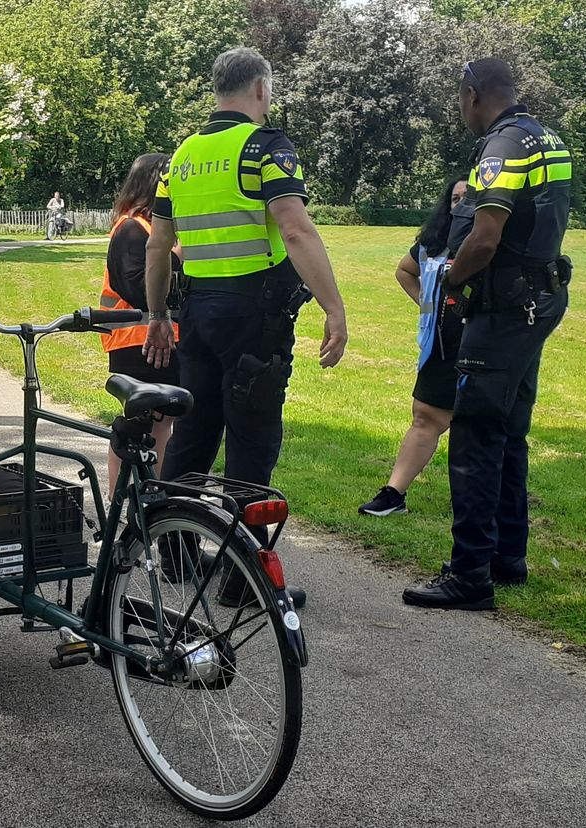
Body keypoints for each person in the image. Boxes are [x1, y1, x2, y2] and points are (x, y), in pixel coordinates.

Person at [144, 46, 348, 607]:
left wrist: (157, 314)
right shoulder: (266, 147)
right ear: (261, 89)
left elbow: (159, 243)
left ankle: (176, 552)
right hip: (254, 317)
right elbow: (297, 230)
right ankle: (242, 580)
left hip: (197, 311)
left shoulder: (180, 157)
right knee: (252, 444)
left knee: (194, 435)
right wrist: (335, 307)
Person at [403, 58, 572, 610]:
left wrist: (448, 282)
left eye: (460, 100)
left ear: (473, 94)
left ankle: (470, 574)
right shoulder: (547, 138)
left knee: (475, 437)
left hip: (502, 310)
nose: (461, 111)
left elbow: (484, 237)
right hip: (540, 298)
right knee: (510, 430)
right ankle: (508, 557)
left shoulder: (502, 147)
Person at [359, 177, 467, 516]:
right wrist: (427, 303)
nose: (460, 204)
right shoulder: (435, 242)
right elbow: (405, 271)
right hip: (440, 346)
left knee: (477, 423)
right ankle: (393, 495)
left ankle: (475, 500)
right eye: (455, 198)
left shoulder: (493, 241)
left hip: (483, 345)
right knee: (425, 418)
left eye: (469, 197)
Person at [100, 153, 182, 491]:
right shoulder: (133, 227)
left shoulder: (153, 228)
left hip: (154, 340)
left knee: (157, 426)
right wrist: (178, 260)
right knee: (145, 426)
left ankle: (144, 498)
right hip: (138, 342)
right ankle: (132, 500)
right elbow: (135, 285)